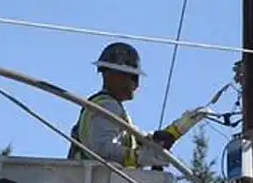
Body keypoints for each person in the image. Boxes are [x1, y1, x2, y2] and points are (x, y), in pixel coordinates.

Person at [67, 42, 197, 169]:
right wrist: (138, 157)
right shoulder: (108, 106)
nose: (137, 85)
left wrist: (173, 131)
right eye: (133, 77)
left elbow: (137, 137)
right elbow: (103, 149)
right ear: (114, 75)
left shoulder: (104, 105)